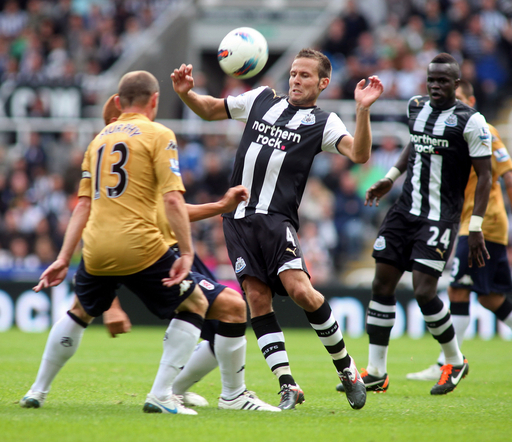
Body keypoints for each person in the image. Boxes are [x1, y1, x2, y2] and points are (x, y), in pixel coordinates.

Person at [171, 48, 384, 410]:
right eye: (293, 74)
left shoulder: (324, 122)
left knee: (301, 291)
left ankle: (348, 369)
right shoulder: (261, 98)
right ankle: (287, 384)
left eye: (305, 76)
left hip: (276, 219)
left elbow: (360, 154)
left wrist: (363, 110)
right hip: (237, 219)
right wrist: (185, 93)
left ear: (323, 83)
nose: (296, 80)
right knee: (256, 299)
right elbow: (209, 110)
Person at [20, 70, 208, 415]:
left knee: (79, 311)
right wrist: (186, 252)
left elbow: (83, 206)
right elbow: (172, 200)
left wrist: (64, 257)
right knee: (195, 304)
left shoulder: (99, 139)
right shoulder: (159, 134)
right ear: (154, 100)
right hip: (141, 246)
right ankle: (162, 394)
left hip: (96, 248)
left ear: (119, 102)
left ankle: (37, 390)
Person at [100, 94, 280, 412]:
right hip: (161, 251)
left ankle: (177, 390)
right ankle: (211, 394)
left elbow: (176, 209)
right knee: (226, 309)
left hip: (167, 249)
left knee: (225, 317)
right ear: (153, 101)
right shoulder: (152, 141)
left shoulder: (124, 149)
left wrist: (220, 207)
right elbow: (172, 206)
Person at [337, 53, 492, 396]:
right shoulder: (415, 106)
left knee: (423, 291)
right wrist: (390, 178)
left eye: (442, 81)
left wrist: (477, 226)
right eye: (431, 80)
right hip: (404, 210)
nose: (435, 86)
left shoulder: (471, 121)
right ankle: (376, 370)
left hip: (440, 217)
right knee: (382, 284)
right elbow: (415, 143)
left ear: (456, 84)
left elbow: (485, 177)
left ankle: (454, 360)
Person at [407, 79, 512, 381]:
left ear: (472, 100)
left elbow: (507, 175)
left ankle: (447, 363)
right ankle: (447, 361)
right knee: (490, 297)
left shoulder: (485, 131)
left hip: (483, 223)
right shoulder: (447, 132)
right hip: (466, 221)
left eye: (462, 100)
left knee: (457, 288)